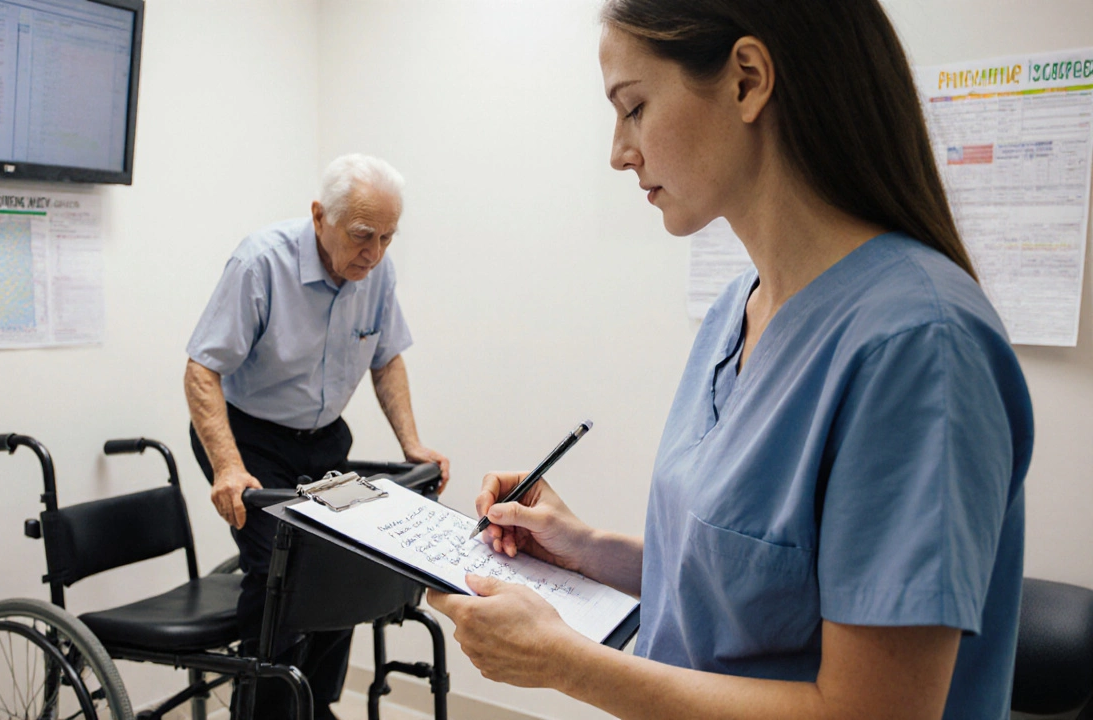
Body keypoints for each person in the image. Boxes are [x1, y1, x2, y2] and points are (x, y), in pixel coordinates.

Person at [427, 1, 1033, 718]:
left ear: (747, 79)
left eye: (634, 108)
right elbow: (750, 592)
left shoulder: (918, 347)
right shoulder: (737, 311)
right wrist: (586, 549)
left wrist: (566, 663)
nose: (619, 151)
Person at [185, 153, 449, 719]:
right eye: (361, 235)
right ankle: (264, 711)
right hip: (249, 439)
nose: (373, 253)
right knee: (281, 569)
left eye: (387, 237)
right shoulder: (261, 263)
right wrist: (229, 468)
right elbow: (201, 370)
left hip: (324, 440)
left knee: (346, 558)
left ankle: (314, 703)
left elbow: (387, 358)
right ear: (318, 217)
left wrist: (413, 445)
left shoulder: (376, 271)